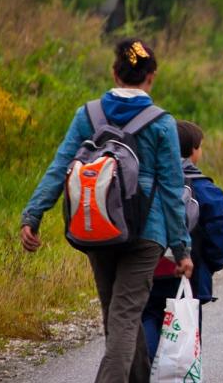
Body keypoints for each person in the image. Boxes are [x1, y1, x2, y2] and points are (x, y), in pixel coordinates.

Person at [20, 39, 192, 383]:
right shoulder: (161, 123)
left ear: (114, 73)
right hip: (147, 231)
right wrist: (181, 247)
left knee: (116, 314)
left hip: (96, 222)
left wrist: (33, 214)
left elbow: (60, 167)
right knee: (125, 316)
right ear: (152, 76)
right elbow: (173, 188)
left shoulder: (89, 114)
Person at [142, 120, 223, 362]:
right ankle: (179, 374)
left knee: (148, 315)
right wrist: (212, 262)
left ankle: (146, 368)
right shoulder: (203, 187)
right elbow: (221, 225)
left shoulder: (148, 181)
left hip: (149, 265)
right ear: (194, 151)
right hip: (189, 272)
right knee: (185, 329)